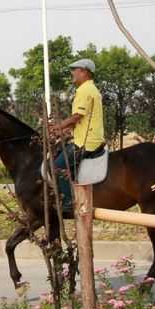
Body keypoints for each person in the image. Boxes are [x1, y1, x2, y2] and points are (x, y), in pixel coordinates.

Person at [48, 58, 105, 213]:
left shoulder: (85, 90)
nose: (73, 73)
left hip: (86, 142)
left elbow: (76, 117)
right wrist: (62, 131)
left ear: (84, 73)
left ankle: (69, 201)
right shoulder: (91, 89)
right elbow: (81, 121)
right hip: (86, 138)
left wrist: (57, 127)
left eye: (75, 70)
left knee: (56, 166)